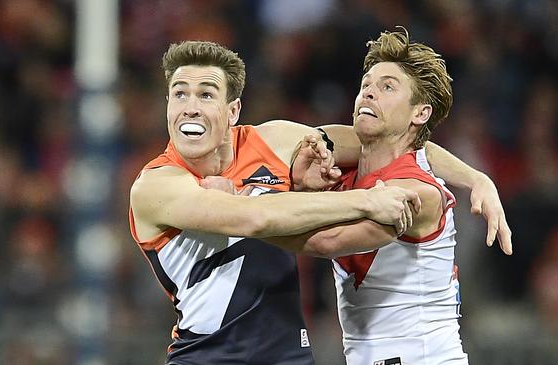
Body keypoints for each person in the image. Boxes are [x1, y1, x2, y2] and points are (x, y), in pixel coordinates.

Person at [128, 39, 509, 364]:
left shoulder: (275, 141)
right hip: (209, 357)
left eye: (206, 94)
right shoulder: (157, 186)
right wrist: (363, 200)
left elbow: (400, 143)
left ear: (233, 111)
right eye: (179, 93)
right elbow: (254, 218)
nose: (190, 106)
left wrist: (475, 178)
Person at [288, 27, 472, 364]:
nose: (369, 94)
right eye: (366, 85)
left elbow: (328, 241)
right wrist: (298, 186)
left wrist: (241, 214)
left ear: (420, 113)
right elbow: (311, 139)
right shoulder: (340, 173)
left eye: (387, 87)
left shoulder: (419, 193)